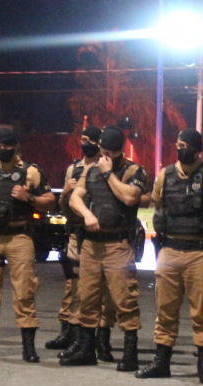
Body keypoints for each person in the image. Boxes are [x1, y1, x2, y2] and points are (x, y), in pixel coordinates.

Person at [137, 128, 203, 385]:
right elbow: (157, 204)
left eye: (186, 145)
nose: (181, 149)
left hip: (200, 253)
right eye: (179, 144)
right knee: (165, 310)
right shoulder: (166, 175)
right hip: (170, 251)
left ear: (198, 150)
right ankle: (161, 362)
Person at [0, 127, 56, 362]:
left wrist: (30, 198)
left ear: (16, 147)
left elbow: (51, 202)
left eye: (6, 146)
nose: (1, 150)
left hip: (19, 238)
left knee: (24, 290)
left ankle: (28, 346)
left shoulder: (30, 172)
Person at [62, 127, 147, 371]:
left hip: (118, 244)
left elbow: (130, 198)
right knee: (86, 297)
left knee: (124, 299)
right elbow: (75, 197)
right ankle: (86, 348)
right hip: (91, 244)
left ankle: (130, 353)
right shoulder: (90, 170)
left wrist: (109, 174)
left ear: (121, 150)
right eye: (103, 152)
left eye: (110, 152)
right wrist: (87, 214)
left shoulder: (133, 171)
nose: (105, 156)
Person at [45, 125, 101, 354]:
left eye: (89, 140)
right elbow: (62, 207)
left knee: (91, 288)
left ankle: (89, 335)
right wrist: (67, 192)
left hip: (96, 234)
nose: (84, 143)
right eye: (83, 139)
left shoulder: (104, 168)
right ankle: (67, 330)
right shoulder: (73, 169)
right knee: (72, 285)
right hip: (75, 232)